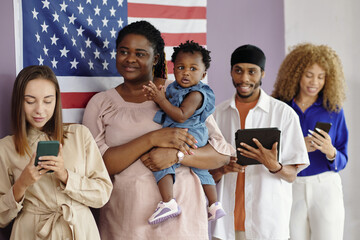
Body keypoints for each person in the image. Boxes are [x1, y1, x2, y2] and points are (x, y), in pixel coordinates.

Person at [82, 20, 233, 240]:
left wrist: (177, 155)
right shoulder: (101, 103)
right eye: (124, 51)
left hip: (183, 220)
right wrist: (153, 138)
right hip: (126, 220)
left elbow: (221, 156)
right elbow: (98, 166)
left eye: (140, 53)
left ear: (156, 58)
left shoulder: (181, 94)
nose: (130, 59)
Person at [0, 65, 113, 239]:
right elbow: (1, 218)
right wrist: (21, 184)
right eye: (30, 101)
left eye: (47, 101)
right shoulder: (6, 147)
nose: (39, 109)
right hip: (30, 232)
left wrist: (66, 176)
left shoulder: (80, 135)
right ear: (19, 102)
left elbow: (102, 194)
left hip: (79, 229)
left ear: (56, 101)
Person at [210, 44, 309, 240]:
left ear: (262, 73)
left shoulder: (284, 114)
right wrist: (222, 169)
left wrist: (274, 165)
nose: (244, 78)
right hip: (227, 225)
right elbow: (206, 175)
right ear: (231, 72)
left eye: (252, 72)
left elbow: (291, 176)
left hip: (268, 225)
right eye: (238, 71)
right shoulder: (217, 114)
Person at [143, 40, 226, 224]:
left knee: (164, 163)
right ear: (174, 69)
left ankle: (168, 202)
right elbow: (169, 105)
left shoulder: (196, 94)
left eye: (193, 68)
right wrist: (158, 98)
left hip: (189, 134)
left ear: (203, 74)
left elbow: (181, 115)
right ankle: (214, 205)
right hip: (191, 134)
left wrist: (161, 100)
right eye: (181, 67)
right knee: (201, 169)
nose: (186, 72)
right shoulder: (176, 88)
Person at [272, 43, 348, 240]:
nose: (315, 82)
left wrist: (330, 151)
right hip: (290, 184)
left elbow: (342, 157)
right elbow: (269, 150)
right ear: (296, 74)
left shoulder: (333, 110)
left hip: (326, 187)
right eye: (309, 74)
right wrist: (297, 147)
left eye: (321, 76)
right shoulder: (280, 108)